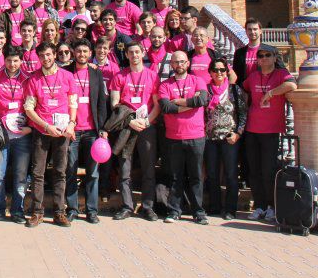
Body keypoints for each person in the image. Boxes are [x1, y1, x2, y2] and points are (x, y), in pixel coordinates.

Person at [24, 42, 76, 228]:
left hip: (62, 132)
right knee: (38, 173)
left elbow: (73, 103)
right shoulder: (34, 79)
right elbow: (29, 108)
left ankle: (59, 212)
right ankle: (37, 212)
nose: (45, 59)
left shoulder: (68, 77)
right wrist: (46, 126)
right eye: (42, 56)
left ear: (54, 55)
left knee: (60, 172)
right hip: (41, 131)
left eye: (48, 55)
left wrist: (71, 124)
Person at [242, 44, 296, 222]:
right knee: (254, 171)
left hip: (272, 130)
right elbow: (243, 90)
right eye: (260, 56)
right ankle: (259, 206)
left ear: (274, 57)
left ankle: (272, 206)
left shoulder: (280, 74)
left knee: (269, 170)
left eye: (267, 55)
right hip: (252, 128)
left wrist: (272, 92)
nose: (263, 58)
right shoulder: (253, 76)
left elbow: (292, 85)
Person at [156, 50, 210, 224]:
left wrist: (177, 101)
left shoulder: (197, 80)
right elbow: (165, 107)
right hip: (173, 136)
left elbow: (202, 100)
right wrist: (189, 103)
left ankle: (198, 212)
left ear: (188, 63)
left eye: (182, 62)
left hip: (196, 135)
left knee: (196, 176)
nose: (179, 65)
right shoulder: (165, 85)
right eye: (176, 62)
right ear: (171, 65)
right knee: (175, 176)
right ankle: (174, 211)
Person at [108, 41, 160, 221]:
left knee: (148, 168)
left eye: (137, 52)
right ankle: (127, 205)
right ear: (127, 55)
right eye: (131, 53)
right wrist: (130, 121)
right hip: (126, 127)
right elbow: (115, 103)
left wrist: (146, 122)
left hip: (146, 126)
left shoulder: (152, 76)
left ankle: (148, 206)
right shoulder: (119, 76)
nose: (135, 55)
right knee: (124, 168)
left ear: (142, 53)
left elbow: (157, 105)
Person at [65, 39, 110, 224]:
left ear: (90, 53)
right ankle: (72, 209)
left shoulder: (96, 73)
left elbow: (101, 102)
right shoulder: (66, 71)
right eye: (79, 51)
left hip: (92, 131)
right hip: (72, 130)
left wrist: (103, 128)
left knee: (93, 172)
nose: (82, 54)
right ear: (73, 52)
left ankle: (91, 210)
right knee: (70, 170)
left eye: (85, 51)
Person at [0, 45, 31, 223]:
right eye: (8, 60)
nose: (12, 64)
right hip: (1, 135)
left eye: (15, 61)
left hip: (22, 136)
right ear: (3, 60)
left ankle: (17, 211)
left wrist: (29, 126)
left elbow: (35, 105)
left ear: (21, 61)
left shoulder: (28, 79)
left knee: (21, 175)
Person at [203, 57, 247, 220]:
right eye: (215, 70)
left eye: (222, 70)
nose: (219, 73)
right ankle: (215, 206)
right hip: (210, 137)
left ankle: (230, 208)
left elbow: (243, 115)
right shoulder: (205, 90)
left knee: (230, 173)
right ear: (210, 72)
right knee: (212, 173)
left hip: (230, 137)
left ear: (227, 72)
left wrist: (238, 133)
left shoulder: (234, 90)